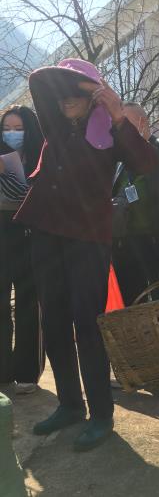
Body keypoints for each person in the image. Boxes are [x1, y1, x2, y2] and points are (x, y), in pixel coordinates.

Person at [14, 59, 157, 452]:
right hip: (47, 234)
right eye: (61, 93)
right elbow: (39, 80)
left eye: (74, 92)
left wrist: (114, 111)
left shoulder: (110, 131)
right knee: (54, 321)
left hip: (88, 238)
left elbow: (146, 163)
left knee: (87, 324)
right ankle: (70, 405)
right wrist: (75, 83)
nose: (64, 100)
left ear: (92, 96)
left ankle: (101, 414)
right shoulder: (55, 126)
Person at [111, 102, 159, 397]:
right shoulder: (119, 162)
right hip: (125, 245)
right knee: (132, 308)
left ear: (144, 123)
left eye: (128, 125)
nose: (123, 133)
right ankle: (139, 369)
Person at [0, 105, 45, 394]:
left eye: (18, 129)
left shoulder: (42, 156)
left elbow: (35, 197)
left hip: (28, 234)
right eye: (7, 128)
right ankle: (2, 369)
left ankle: (28, 371)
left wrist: (8, 175)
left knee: (29, 304)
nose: (12, 134)